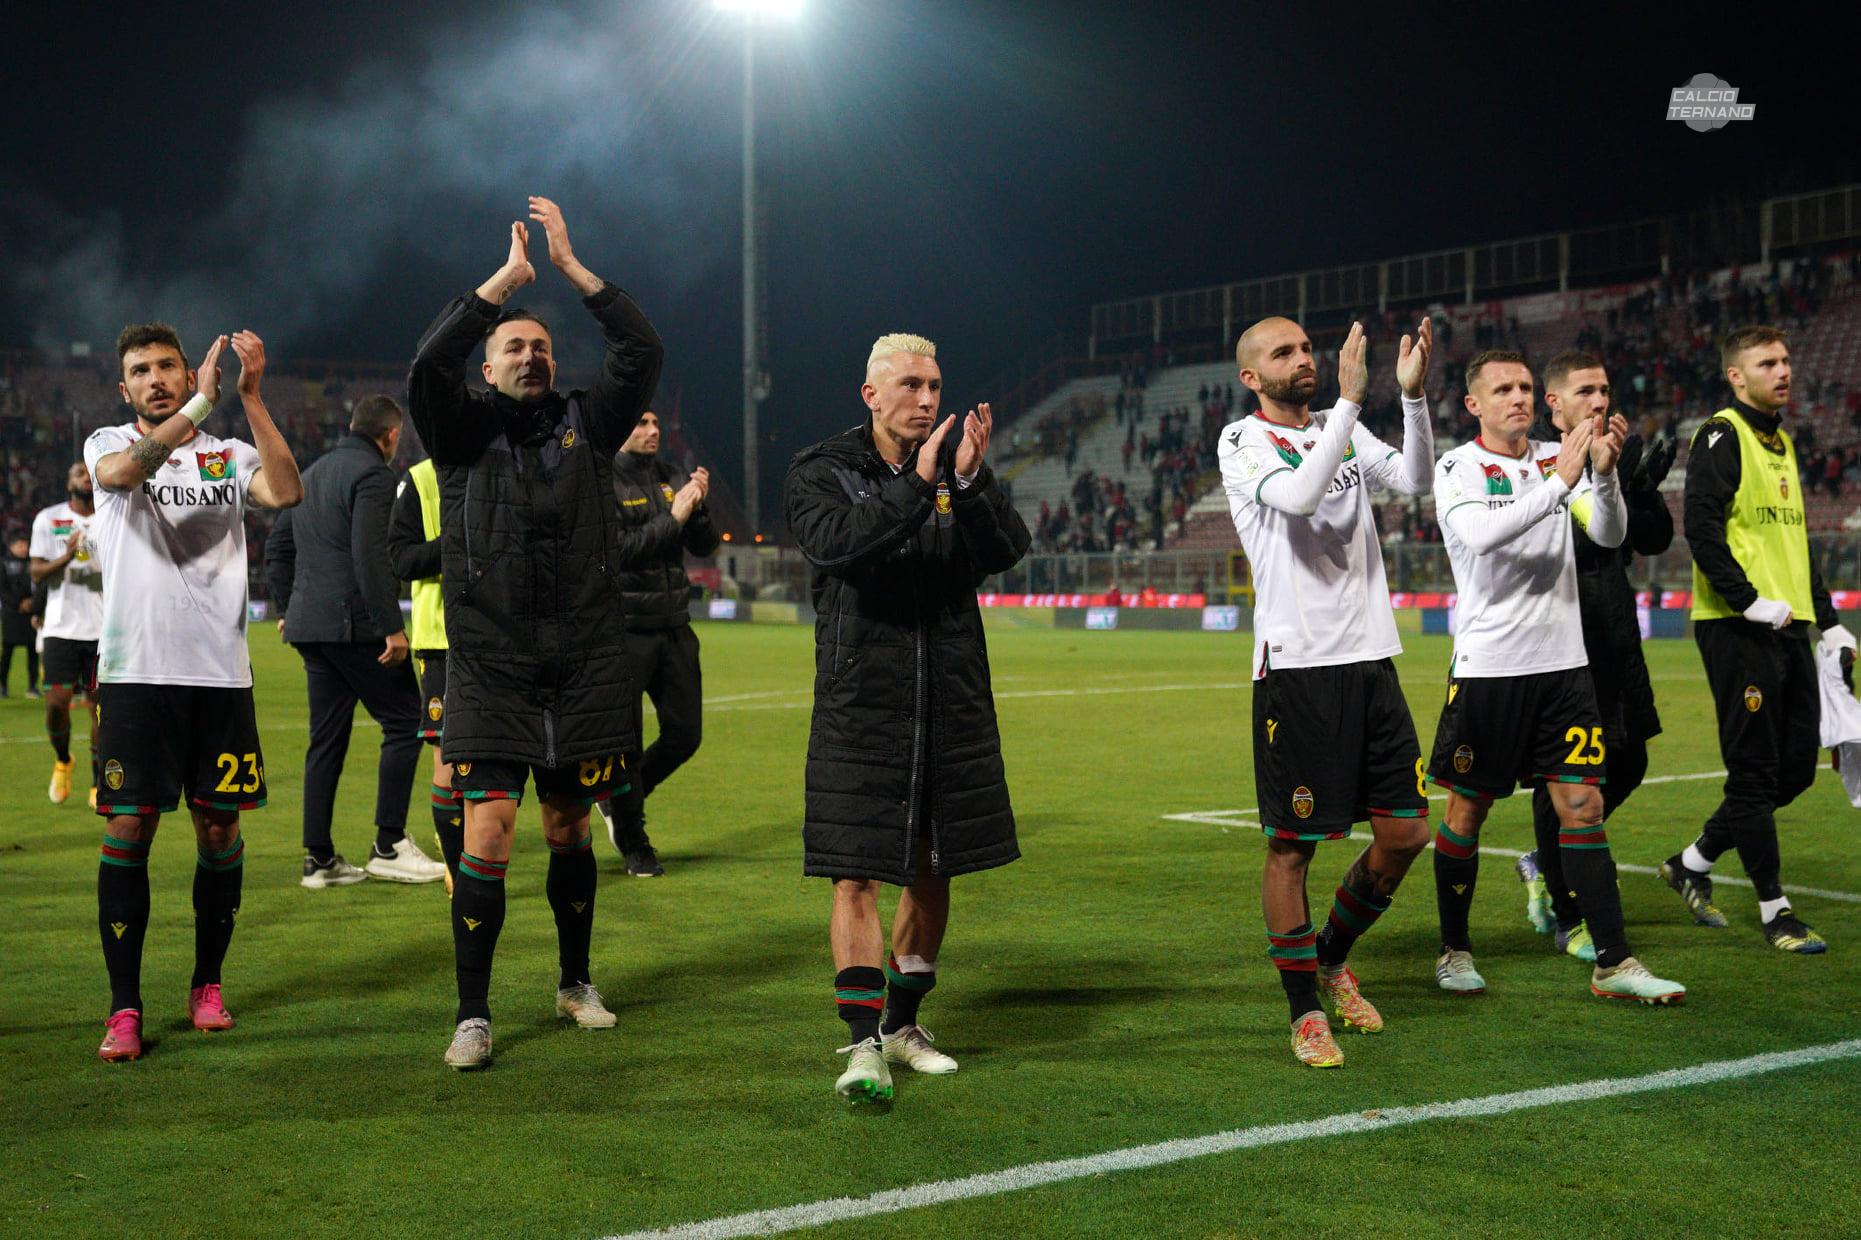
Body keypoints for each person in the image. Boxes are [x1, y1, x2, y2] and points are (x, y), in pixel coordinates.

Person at [407, 197, 663, 1070]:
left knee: (569, 831)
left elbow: (642, 351)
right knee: (489, 833)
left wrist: (573, 271)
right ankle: (472, 1013)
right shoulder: (461, 432)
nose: (531, 356)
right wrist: (502, 286)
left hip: (586, 667)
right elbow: (425, 366)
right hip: (492, 666)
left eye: (541, 347)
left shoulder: (589, 423)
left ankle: (574, 980)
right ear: (487, 364)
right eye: (513, 347)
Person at [785, 332, 1029, 1105]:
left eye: (935, 386)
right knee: (855, 870)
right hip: (862, 703)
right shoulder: (819, 470)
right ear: (871, 395)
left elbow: (1006, 552)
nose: (927, 400)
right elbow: (838, 547)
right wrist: (921, 487)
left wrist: (975, 480)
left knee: (933, 863)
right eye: (912, 386)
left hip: (950, 700)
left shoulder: (957, 468)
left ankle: (902, 1024)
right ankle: (860, 1045)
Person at [1426, 350, 1682, 1004]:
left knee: (1583, 804)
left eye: (1523, 386)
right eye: (1501, 388)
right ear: (1474, 405)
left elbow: (1607, 531)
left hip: (1565, 669)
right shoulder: (1458, 466)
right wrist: (1560, 481)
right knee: (1466, 810)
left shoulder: (1554, 457)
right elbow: (1482, 537)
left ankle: (1614, 962)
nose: (1516, 396)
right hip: (1490, 670)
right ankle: (1453, 949)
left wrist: (1602, 477)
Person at [1217, 317, 1435, 1069]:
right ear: (1251, 378)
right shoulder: (1242, 443)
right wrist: (1347, 405)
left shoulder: (1340, 426)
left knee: (1406, 833)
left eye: (1305, 347)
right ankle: (1305, 1011)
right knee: (1291, 847)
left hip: (1371, 658)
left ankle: (1332, 956)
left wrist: (1409, 401)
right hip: (1298, 669)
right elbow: (1304, 498)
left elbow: (1415, 481)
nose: (1301, 358)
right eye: (1283, 352)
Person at [86, 322, 303, 1061]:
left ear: (186, 373)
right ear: (125, 388)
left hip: (219, 678)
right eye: (141, 370)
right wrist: (202, 406)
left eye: (167, 367)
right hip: (134, 677)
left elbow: (286, 491)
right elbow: (119, 478)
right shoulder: (107, 443)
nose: (155, 378)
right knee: (128, 830)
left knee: (219, 831)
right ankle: (124, 1007)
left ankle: (207, 983)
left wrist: (249, 399)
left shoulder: (228, 453)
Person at [1661, 325, 1844, 954]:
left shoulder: (1783, 441)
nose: (1784, 370)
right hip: (1738, 628)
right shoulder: (1721, 435)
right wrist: (1748, 601)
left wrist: (1831, 617)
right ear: (1736, 376)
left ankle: (1693, 861)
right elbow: (1701, 530)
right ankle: (1776, 910)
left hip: (1789, 627)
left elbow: (1795, 541)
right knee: (1754, 771)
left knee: (1794, 772)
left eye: (1788, 359)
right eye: (1768, 362)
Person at [1513, 353, 1675, 958]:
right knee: (1563, 779)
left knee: (1629, 763)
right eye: (1585, 391)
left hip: (1616, 637)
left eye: (1605, 390)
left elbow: (1652, 540)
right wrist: (1596, 479)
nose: (1601, 401)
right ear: (1554, 404)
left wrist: (1635, 485)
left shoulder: (1614, 459)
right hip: (1562, 643)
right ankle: (1567, 908)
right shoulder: (1537, 465)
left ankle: (1544, 861)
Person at [266, 395, 444, 888]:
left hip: (312, 628)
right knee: (407, 720)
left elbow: (276, 547)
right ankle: (388, 844)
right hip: (355, 626)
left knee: (326, 739)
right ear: (390, 435)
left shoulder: (313, 472)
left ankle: (318, 860)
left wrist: (287, 608)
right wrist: (391, 624)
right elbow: (371, 554)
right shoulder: (374, 476)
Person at [597, 409, 719, 876]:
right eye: (638, 423)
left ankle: (622, 799)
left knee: (686, 735)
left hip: (674, 626)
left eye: (653, 423)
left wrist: (699, 504)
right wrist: (675, 515)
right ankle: (635, 841)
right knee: (626, 745)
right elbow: (619, 552)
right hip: (626, 629)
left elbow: (704, 546)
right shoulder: (603, 480)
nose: (651, 432)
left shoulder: (670, 475)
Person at [387, 454, 463, 892]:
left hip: (501, 640)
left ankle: (481, 851)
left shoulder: (503, 465)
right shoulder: (419, 479)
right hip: (441, 644)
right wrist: (456, 544)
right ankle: (455, 861)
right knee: (448, 758)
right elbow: (402, 559)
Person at [30, 462, 104, 806]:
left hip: (104, 629)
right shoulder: (49, 519)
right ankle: (63, 760)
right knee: (56, 705)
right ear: (67, 481)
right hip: (61, 629)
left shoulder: (110, 517)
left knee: (99, 710)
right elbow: (37, 571)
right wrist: (67, 557)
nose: (84, 477)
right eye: (77, 472)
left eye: (89, 473)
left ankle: (97, 780)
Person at [0, 532, 36, 697]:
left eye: (25, 545)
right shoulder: (3, 564)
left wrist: (32, 603)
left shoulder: (34, 563)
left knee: (33, 652)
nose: (23, 548)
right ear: (11, 546)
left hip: (31, 613)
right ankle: (2, 686)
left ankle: (32, 687)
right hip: (11, 614)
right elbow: (2, 589)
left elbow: (40, 585)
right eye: (19, 545)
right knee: (7, 652)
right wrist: (18, 604)